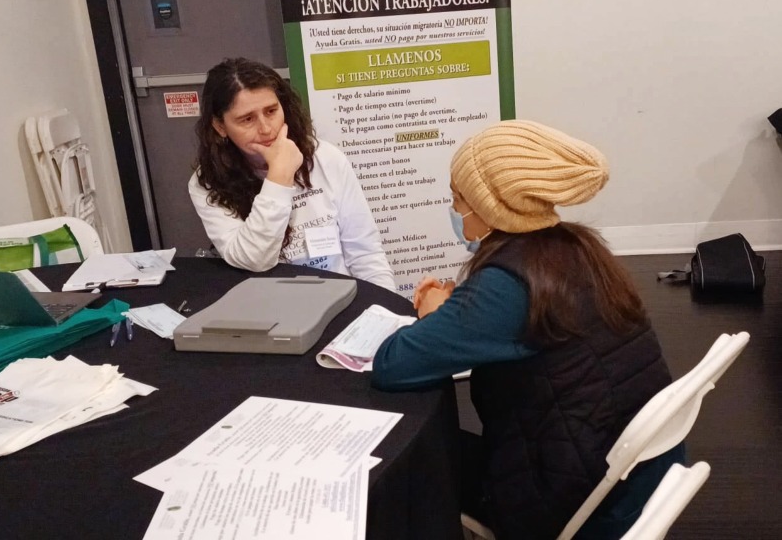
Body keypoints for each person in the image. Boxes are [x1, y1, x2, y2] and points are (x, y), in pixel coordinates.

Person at [371, 120, 684, 539]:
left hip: (564, 493)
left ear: (490, 206)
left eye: (457, 198)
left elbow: (393, 365)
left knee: (406, 462)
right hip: (633, 467)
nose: (454, 209)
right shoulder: (576, 247)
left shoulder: (509, 287)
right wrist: (457, 313)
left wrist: (432, 314)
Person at [189, 57, 395, 290]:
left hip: (338, 295)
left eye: (271, 111)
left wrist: (385, 313)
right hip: (268, 306)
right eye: (247, 119)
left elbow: (365, 253)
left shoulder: (325, 158)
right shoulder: (207, 181)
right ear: (220, 127)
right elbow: (254, 259)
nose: (266, 128)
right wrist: (279, 175)